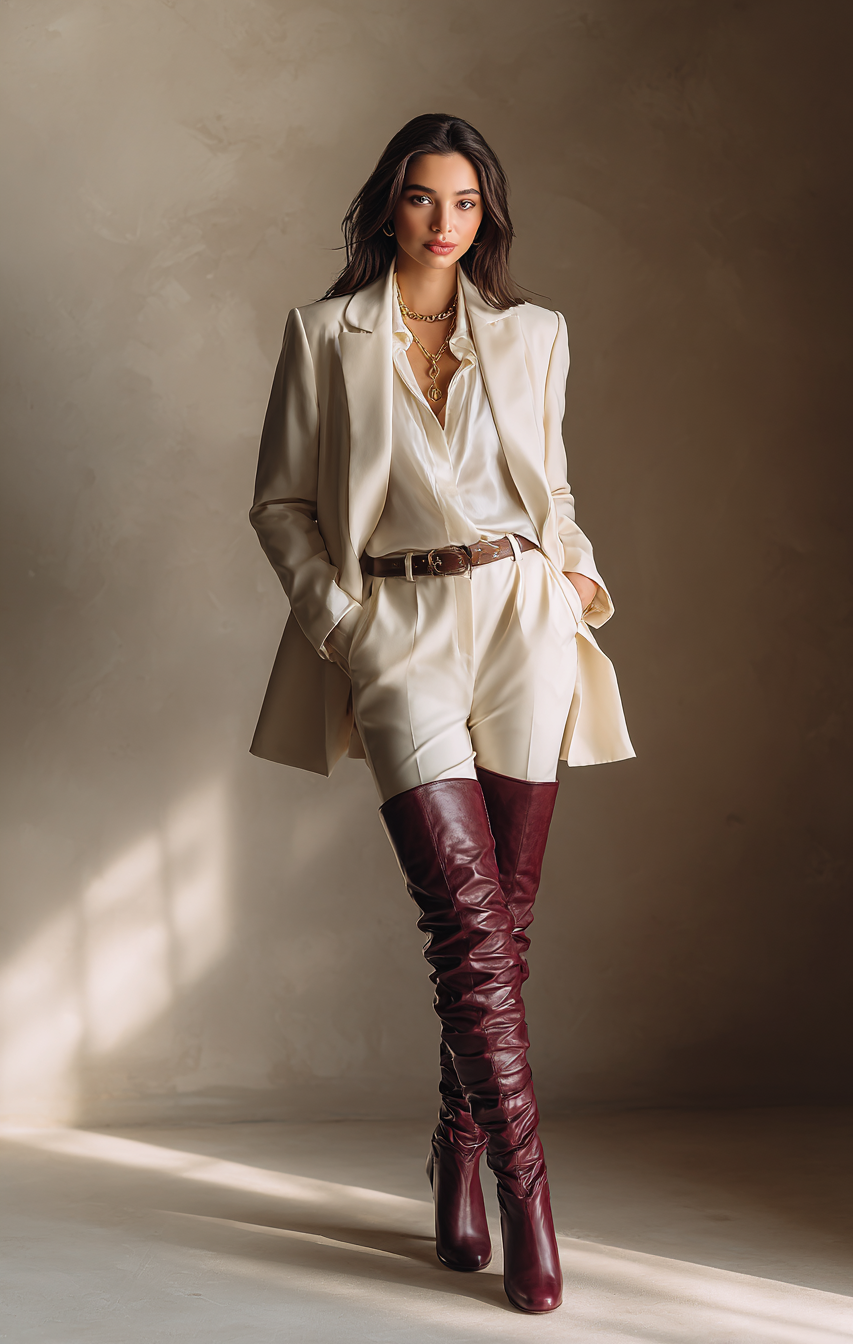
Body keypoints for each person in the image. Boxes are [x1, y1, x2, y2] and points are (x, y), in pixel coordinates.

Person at [249, 113, 634, 1314]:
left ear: (487, 217)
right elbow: (281, 503)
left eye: (466, 203)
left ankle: (455, 1160)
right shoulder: (325, 335)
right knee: (464, 918)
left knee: (502, 924)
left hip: (521, 621)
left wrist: (571, 568)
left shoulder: (534, 335)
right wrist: (338, 622)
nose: (444, 223)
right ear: (386, 208)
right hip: (398, 627)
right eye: (423, 199)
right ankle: (530, 1197)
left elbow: (551, 483)